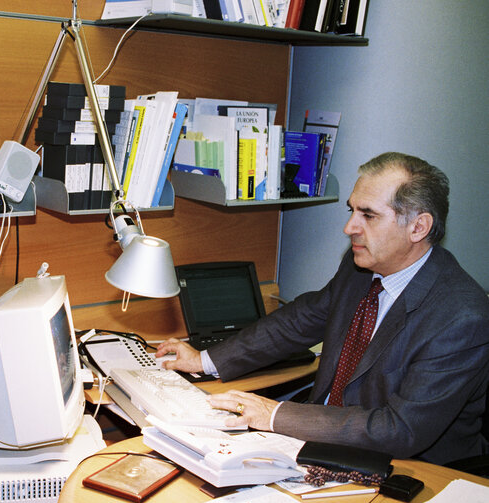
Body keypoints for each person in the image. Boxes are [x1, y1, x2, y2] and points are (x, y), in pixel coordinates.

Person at [157, 152, 489, 465]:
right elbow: (300, 320)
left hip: (411, 469)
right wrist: (203, 360)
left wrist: (273, 415)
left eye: (368, 215)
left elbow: (400, 429)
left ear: (418, 227)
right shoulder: (360, 266)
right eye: (352, 211)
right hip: (323, 438)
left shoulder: (461, 318)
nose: (350, 228)